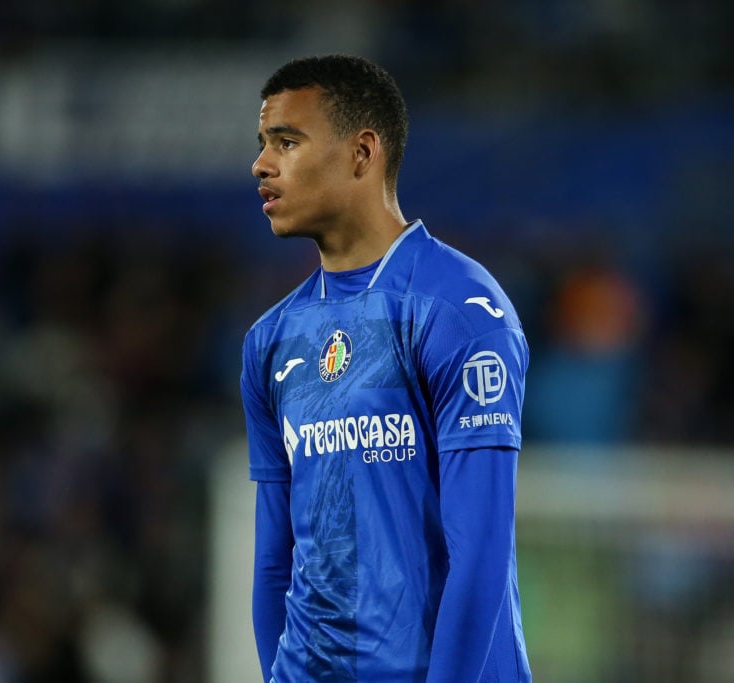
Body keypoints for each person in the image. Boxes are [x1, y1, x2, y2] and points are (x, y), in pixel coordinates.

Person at [240, 54, 533, 682]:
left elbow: (479, 551)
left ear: (362, 152)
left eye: (286, 142)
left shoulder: (457, 312)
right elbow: (273, 562)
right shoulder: (270, 342)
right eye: (264, 144)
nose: (261, 165)